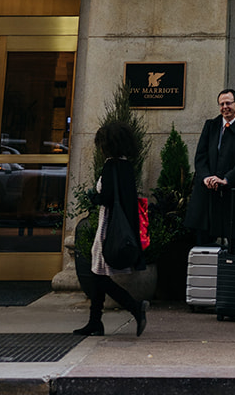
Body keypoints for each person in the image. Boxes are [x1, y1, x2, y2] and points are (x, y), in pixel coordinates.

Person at [74, 120, 148, 338]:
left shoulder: (110, 166)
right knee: (97, 273)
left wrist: (92, 196)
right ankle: (95, 322)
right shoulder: (126, 166)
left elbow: (106, 198)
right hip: (121, 223)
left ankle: (134, 306)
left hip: (109, 225)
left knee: (97, 274)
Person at [184, 87, 235, 246]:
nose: (225, 107)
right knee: (203, 244)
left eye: (228, 103)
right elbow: (200, 156)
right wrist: (206, 177)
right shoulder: (211, 125)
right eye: (221, 104)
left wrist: (226, 179)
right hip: (207, 194)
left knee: (233, 243)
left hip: (231, 193)